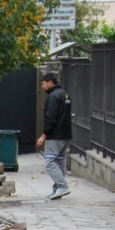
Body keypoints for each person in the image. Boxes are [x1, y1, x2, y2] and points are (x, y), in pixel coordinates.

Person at [37, 72, 73, 200]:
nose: (43, 86)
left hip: (55, 135)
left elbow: (51, 117)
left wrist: (44, 135)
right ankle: (57, 189)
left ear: (50, 82)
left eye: (44, 83)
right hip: (65, 134)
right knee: (60, 161)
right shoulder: (65, 94)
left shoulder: (53, 96)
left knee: (50, 163)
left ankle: (62, 186)